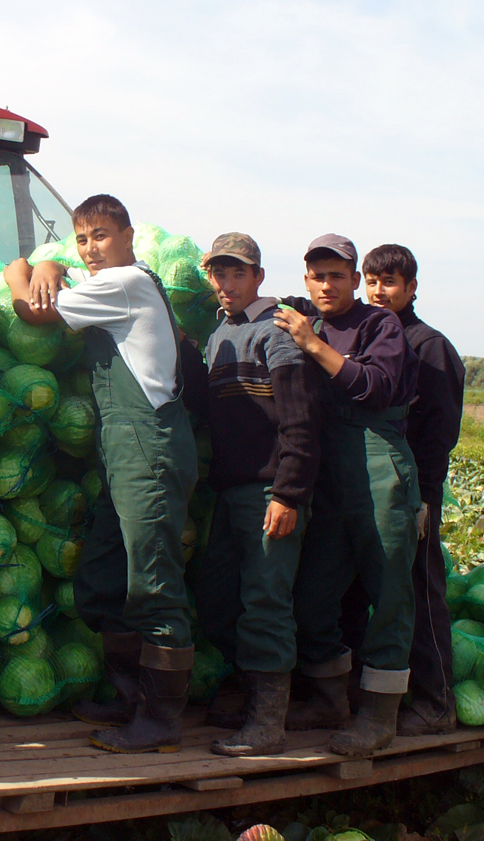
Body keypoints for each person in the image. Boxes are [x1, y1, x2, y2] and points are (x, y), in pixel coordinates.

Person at [2, 194, 198, 754]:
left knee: (153, 582)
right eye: (82, 239)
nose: (91, 249)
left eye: (102, 236)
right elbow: (58, 287)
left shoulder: (126, 283)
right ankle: (129, 695)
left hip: (148, 452)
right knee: (106, 575)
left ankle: (161, 718)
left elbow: (32, 310)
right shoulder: (121, 283)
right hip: (126, 452)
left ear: (129, 236)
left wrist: (23, 270)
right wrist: (52, 265)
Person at [274, 234, 420, 756]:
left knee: (389, 595)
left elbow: (377, 386)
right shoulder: (295, 317)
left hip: (380, 462)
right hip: (330, 475)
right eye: (319, 275)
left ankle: (380, 716)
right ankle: (330, 700)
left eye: (338, 275)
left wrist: (313, 344)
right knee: (312, 595)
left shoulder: (379, 325)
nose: (328, 284)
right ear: (306, 280)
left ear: (354, 281)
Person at [192, 233, 323, 757]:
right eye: (218, 275)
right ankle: (248, 693)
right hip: (231, 491)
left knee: (265, 602)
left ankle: (268, 722)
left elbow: (301, 419)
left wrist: (288, 494)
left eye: (237, 274)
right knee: (218, 598)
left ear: (258, 278)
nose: (226, 284)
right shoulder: (219, 334)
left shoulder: (277, 333)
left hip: (270, 490)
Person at [336, 244, 465, 734]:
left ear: (411, 288)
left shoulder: (429, 346)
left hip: (410, 491)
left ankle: (436, 702)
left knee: (419, 591)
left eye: (389, 282)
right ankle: (364, 693)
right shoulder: (369, 333)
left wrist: (427, 498)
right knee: (360, 590)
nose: (378, 290)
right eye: (371, 280)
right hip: (366, 486)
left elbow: (438, 432)